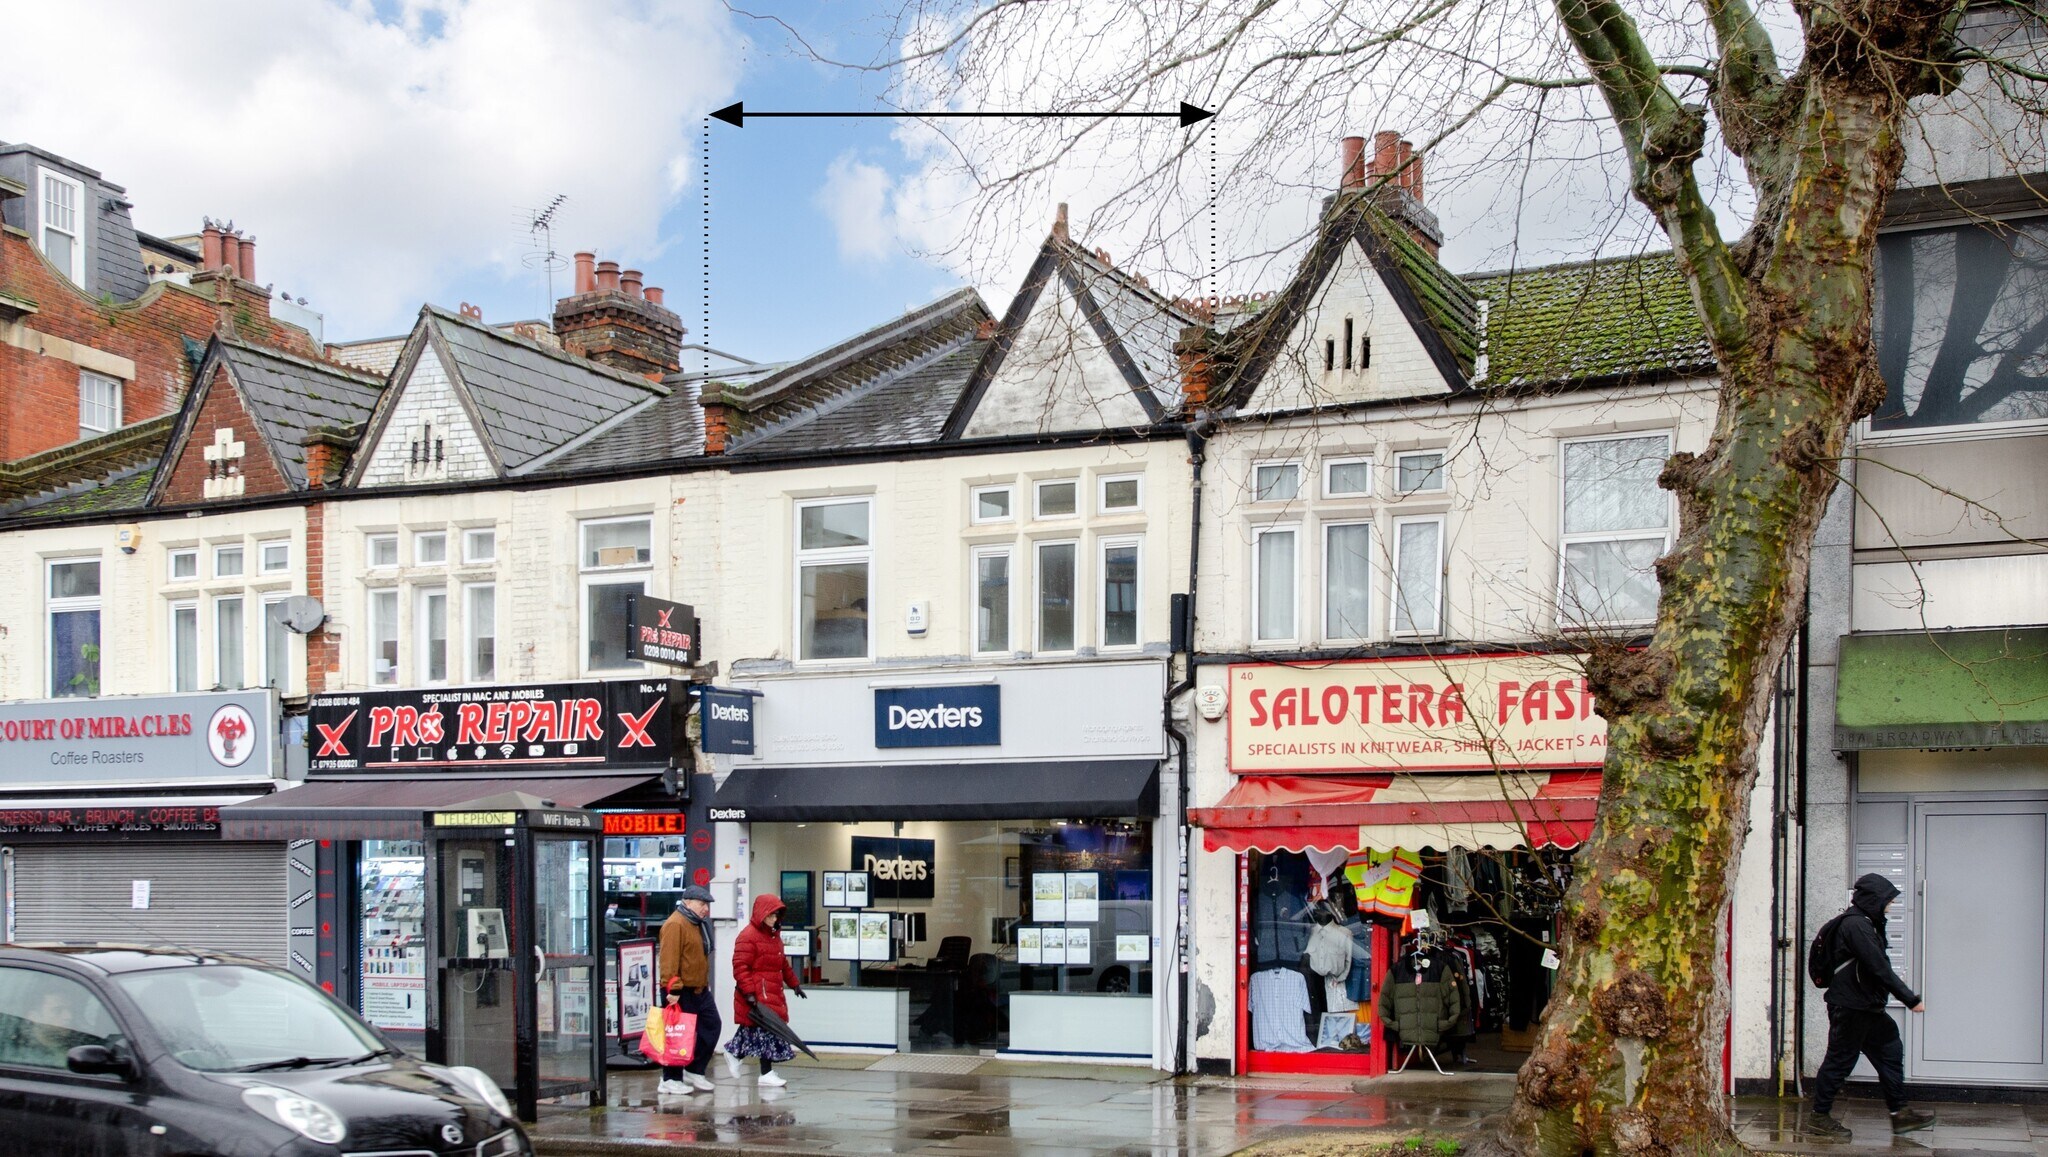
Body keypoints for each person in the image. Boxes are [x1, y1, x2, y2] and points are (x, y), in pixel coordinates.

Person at [1807, 874, 1934, 1138]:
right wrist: (1910, 999)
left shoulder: (1866, 922)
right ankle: (1819, 1117)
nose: (1891, 904)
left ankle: (1900, 1114)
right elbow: (1879, 967)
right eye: (1888, 899)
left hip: (1866, 1006)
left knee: (1890, 1049)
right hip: (1850, 1007)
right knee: (1840, 1061)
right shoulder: (1856, 926)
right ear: (1874, 899)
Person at [726, 893, 803, 1088]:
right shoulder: (748, 936)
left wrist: (794, 984)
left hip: (771, 991)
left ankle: (735, 1054)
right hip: (758, 993)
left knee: (756, 1031)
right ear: (761, 914)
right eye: (770, 915)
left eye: (776, 915)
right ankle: (765, 1072)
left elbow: (782, 963)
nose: (774, 919)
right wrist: (749, 993)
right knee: (766, 1031)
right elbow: (740, 967)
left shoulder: (773, 936)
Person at [655, 885, 720, 1095]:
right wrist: (672, 990)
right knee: (677, 1035)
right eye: (702, 904)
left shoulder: (697, 924)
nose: (706, 909)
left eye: (707, 905)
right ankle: (670, 1079)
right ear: (687, 902)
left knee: (712, 1026)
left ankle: (693, 1069)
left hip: (699, 989)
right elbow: (668, 960)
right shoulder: (675, 924)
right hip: (680, 991)